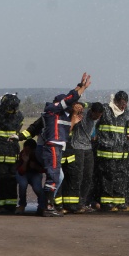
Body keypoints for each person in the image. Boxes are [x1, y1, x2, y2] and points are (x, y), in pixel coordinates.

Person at [32, 73, 92, 217]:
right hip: (52, 147)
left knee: (59, 177)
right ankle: (47, 206)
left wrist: (79, 86)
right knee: (53, 177)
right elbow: (70, 97)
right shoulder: (52, 110)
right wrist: (82, 88)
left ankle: (46, 204)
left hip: (58, 147)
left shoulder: (63, 116)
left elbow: (65, 131)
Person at [94, 91, 129, 212]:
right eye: (121, 103)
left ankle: (119, 203)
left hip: (122, 154)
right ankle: (107, 203)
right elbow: (93, 117)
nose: (123, 106)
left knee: (120, 178)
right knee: (107, 178)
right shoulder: (105, 111)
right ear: (116, 101)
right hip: (105, 153)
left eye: (125, 103)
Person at [60, 101, 104, 213]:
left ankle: (82, 202)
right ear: (91, 112)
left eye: (98, 116)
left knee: (88, 176)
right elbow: (76, 104)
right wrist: (81, 105)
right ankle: (72, 204)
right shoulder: (82, 114)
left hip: (88, 148)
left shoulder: (98, 116)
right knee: (77, 176)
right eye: (95, 115)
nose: (96, 118)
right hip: (77, 147)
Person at [15, 139, 44, 215]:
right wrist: (25, 162)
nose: (26, 152)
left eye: (29, 151)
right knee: (23, 184)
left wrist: (35, 167)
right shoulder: (22, 154)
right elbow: (21, 172)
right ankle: (22, 204)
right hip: (23, 174)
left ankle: (42, 204)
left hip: (35, 173)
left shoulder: (38, 155)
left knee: (37, 188)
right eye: (25, 150)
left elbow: (43, 170)